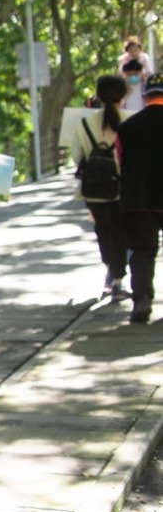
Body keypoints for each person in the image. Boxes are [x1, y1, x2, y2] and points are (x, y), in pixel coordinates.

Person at [69, 74, 132, 299]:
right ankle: (118, 280)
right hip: (123, 188)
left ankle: (111, 273)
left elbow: (77, 158)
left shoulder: (84, 124)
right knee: (122, 232)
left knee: (103, 231)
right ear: (124, 95)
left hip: (94, 190)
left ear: (98, 95)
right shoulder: (131, 119)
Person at [115, 72, 163, 324]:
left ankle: (142, 299)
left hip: (137, 199)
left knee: (142, 252)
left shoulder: (126, 128)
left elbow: (119, 162)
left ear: (145, 97)